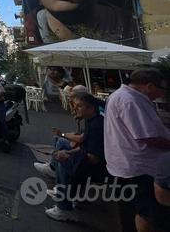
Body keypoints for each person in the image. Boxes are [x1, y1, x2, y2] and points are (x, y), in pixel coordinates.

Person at [104, 67, 170, 232]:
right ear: (149, 86)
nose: (161, 94)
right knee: (147, 212)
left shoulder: (123, 96)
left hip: (125, 164)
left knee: (132, 210)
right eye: (161, 89)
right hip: (140, 168)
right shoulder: (130, 100)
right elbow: (147, 137)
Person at [45, 92, 107, 222]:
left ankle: (64, 208)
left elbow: (94, 158)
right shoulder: (91, 120)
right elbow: (84, 146)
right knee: (62, 152)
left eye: (79, 106)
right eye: (74, 105)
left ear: (91, 108)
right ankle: (60, 190)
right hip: (88, 161)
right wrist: (68, 153)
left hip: (98, 169)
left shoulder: (97, 126)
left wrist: (68, 155)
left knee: (63, 162)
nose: (74, 109)